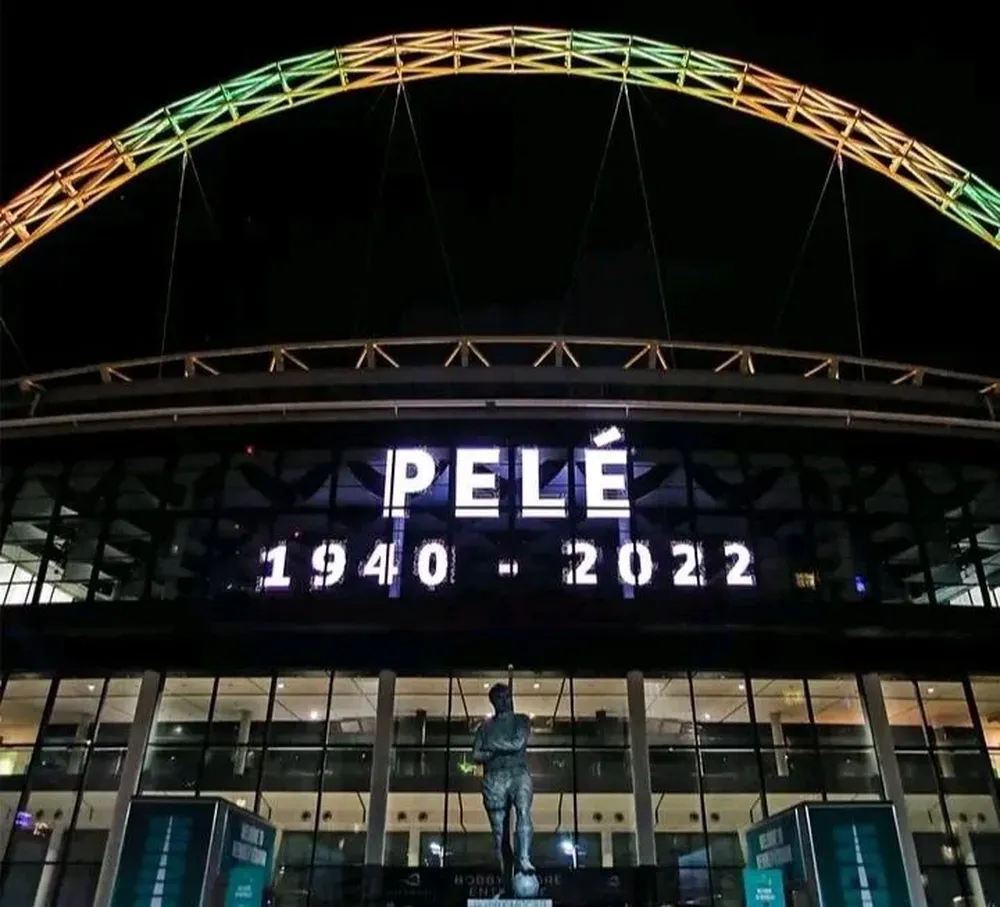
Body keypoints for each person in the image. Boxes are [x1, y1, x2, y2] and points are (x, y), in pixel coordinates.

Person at [472, 683, 535, 883]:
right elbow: (476, 754)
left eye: (508, 696)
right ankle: (505, 878)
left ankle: (524, 858)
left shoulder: (521, 720)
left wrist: (491, 746)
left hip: (518, 772)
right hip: (494, 777)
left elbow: (518, 743)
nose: (506, 700)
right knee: (499, 832)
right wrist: (496, 750)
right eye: (500, 697)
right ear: (493, 701)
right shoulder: (485, 727)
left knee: (523, 810)